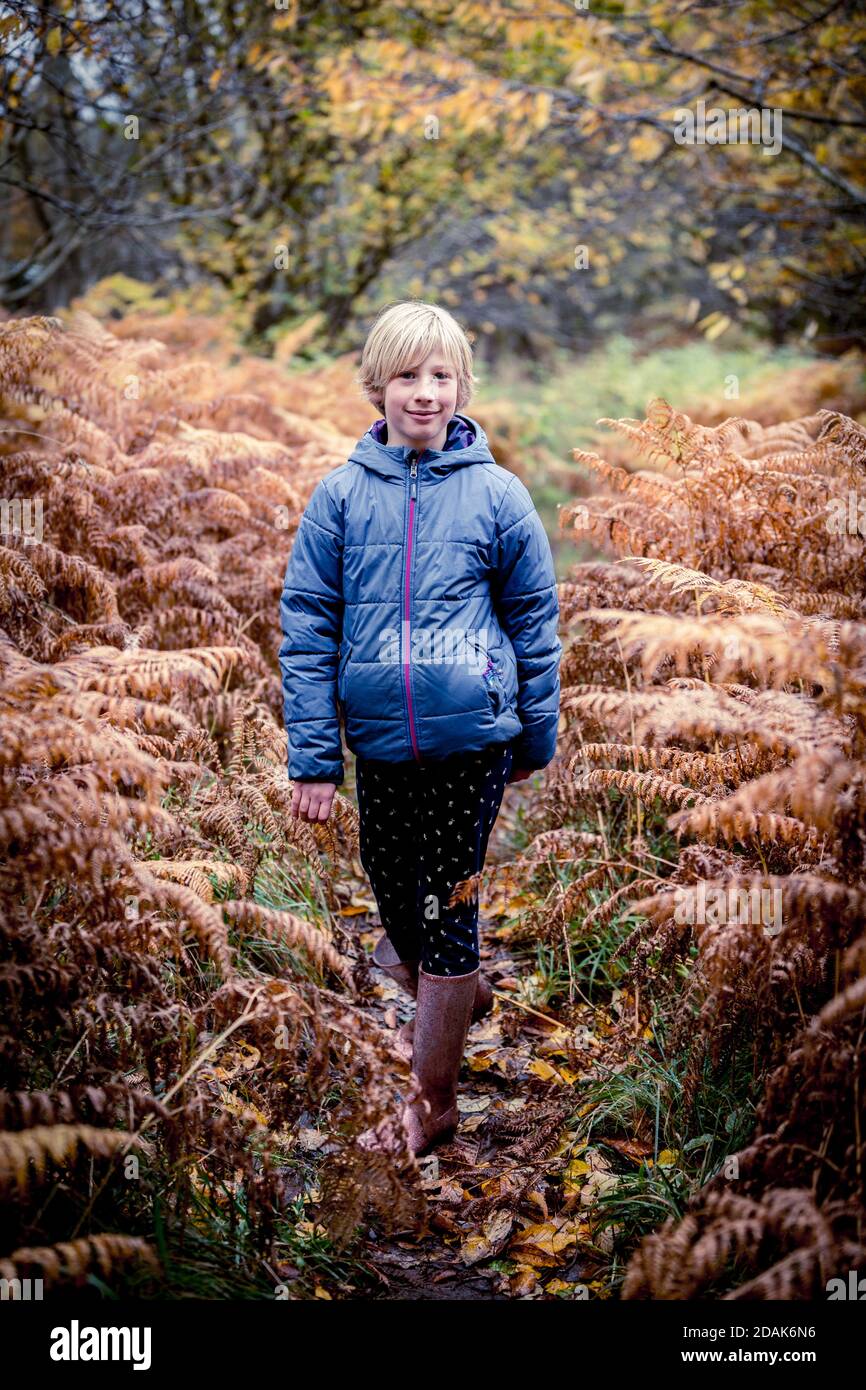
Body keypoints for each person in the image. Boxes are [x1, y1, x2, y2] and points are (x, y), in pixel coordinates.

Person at [278, 300, 561, 1156]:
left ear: (462, 386)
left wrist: (533, 737)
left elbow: (534, 622)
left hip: (471, 740)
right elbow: (307, 627)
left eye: (442, 377)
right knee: (392, 890)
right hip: (378, 743)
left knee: (444, 903)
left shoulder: (499, 495)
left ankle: (431, 1099)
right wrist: (315, 760)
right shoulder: (338, 499)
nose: (426, 393)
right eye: (409, 376)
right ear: (379, 387)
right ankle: (455, 993)